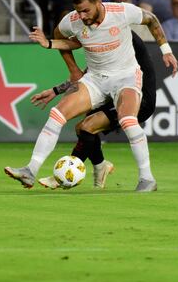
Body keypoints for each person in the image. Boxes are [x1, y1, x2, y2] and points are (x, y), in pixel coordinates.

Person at [5, 0, 178, 192]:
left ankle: (147, 179)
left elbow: (151, 19)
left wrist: (166, 50)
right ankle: (30, 171)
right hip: (95, 79)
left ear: (98, 2)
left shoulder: (121, 12)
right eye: (78, 11)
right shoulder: (73, 21)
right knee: (57, 114)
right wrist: (53, 48)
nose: (82, 16)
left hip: (126, 78)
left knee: (127, 120)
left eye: (86, 10)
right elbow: (65, 39)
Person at [31, 31, 156, 189]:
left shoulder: (122, 38)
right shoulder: (107, 35)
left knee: (87, 126)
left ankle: (66, 174)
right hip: (115, 92)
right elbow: (92, 74)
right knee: (82, 128)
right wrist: (56, 90)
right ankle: (100, 165)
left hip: (138, 98)